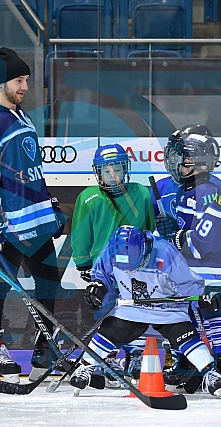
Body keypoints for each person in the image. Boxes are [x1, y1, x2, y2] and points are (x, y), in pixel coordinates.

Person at [0, 47, 66, 384]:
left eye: (26, 80)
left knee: (49, 281)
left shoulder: (20, 118)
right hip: (8, 224)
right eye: (19, 80)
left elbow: (31, 171)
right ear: (1, 83)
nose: (25, 86)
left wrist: (49, 204)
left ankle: (44, 348)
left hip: (35, 223)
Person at [69, 225, 221, 398]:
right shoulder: (112, 249)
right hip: (131, 307)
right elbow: (102, 275)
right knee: (109, 332)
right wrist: (99, 288)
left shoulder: (164, 252)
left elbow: (188, 284)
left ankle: (210, 373)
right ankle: (85, 366)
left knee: (185, 335)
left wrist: (204, 296)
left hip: (167, 307)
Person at [156, 130, 221, 394]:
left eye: (181, 155)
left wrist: (177, 236)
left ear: (197, 159)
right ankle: (188, 365)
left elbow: (209, 240)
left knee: (217, 318)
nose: (175, 161)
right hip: (193, 275)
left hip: (216, 276)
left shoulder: (210, 189)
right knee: (184, 317)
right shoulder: (189, 188)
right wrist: (171, 230)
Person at [70, 143, 156, 382]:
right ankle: (106, 358)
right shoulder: (88, 198)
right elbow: (80, 233)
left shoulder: (141, 193)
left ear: (125, 168)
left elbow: (150, 228)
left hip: (137, 264)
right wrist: (83, 263)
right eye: (107, 171)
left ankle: (134, 355)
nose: (113, 175)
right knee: (107, 311)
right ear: (98, 173)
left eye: (117, 168)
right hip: (103, 268)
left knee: (137, 310)